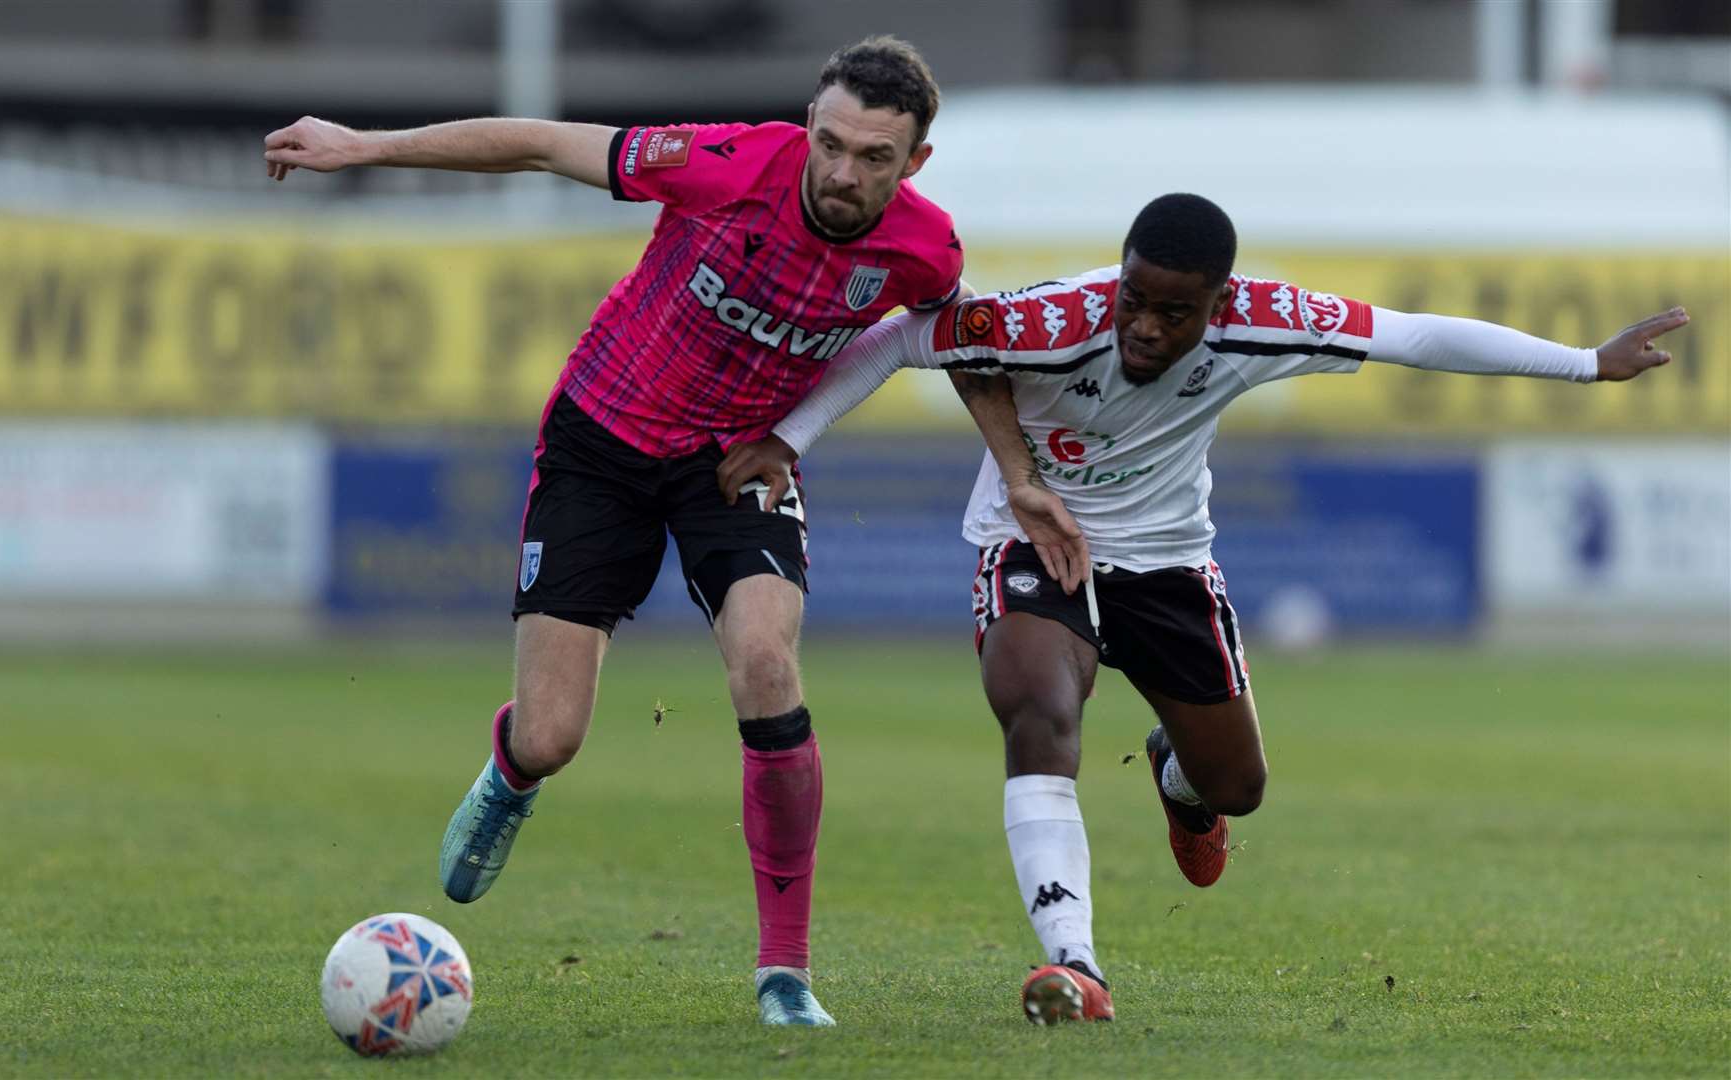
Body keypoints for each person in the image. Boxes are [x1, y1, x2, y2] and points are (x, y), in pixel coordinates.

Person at [717, 192, 1687, 1024]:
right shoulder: (1053, 319)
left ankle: (1179, 780)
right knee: (1039, 714)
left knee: (1239, 786)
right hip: (1035, 548)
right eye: (1134, 299)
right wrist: (791, 438)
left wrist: (1585, 364)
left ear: (1216, 305)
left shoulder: (1267, 319)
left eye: (1171, 313)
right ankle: (1075, 961)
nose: (1142, 326)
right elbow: (901, 341)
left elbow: (1416, 335)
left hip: (1171, 565)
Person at [264, 36, 975, 1027]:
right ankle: (514, 769)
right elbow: (542, 145)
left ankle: (785, 974)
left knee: (767, 664)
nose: (844, 172)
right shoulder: (723, 163)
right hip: (603, 436)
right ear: (809, 124)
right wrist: (365, 147)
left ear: (916, 164)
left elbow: (944, 338)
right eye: (831, 143)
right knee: (555, 735)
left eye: (875, 157)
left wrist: (1014, 479)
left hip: (734, 462)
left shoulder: (925, 247)